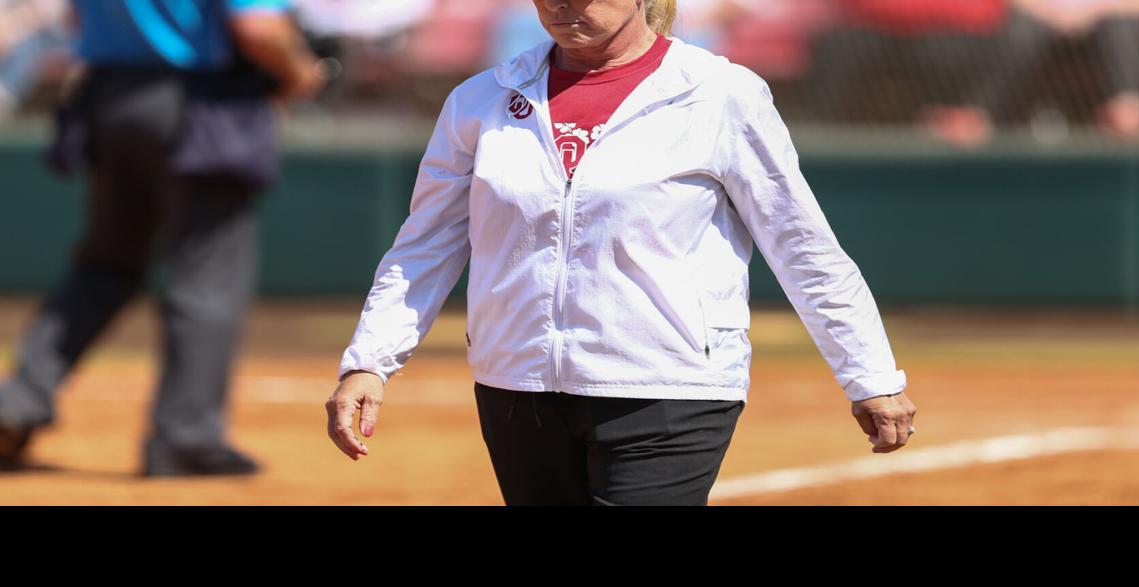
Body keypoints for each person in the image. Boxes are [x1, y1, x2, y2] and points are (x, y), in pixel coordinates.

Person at [326, 0, 917, 506]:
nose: (563, 5)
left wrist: (868, 373)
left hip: (667, 389)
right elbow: (426, 242)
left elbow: (802, 244)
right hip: (516, 388)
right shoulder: (479, 101)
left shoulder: (721, 94)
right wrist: (369, 360)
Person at [0, 0, 327, 474]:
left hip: (109, 97)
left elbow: (74, 19)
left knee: (105, 264)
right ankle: (185, 437)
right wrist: (301, 73)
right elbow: (258, 29)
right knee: (209, 273)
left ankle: (17, 402)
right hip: (199, 101)